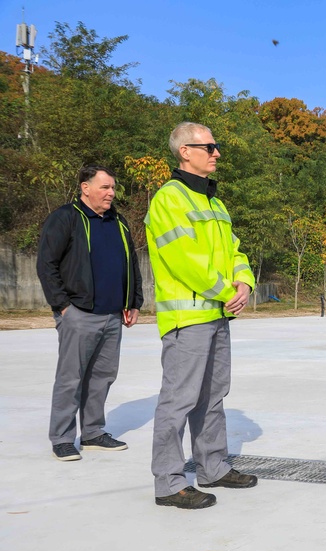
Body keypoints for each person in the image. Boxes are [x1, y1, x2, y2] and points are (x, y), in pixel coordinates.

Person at [145, 122, 258, 510]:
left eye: (216, 146)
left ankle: (213, 466)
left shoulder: (215, 203)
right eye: (209, 147)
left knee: (212, 396)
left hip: (217, 315)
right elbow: (184, 261)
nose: (216, 153)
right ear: (184, 152)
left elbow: (236, 251)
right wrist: (228, 293)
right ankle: (169, 483)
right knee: (178, 401)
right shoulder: (169, 199)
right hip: (188, 318)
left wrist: (244, 283)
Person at [36, 165, 143, 461]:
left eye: (112, 188)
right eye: (105, 187)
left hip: (113, 314)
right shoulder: (65, 218)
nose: (111, 193)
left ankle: (94, 432)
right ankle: (62, 438)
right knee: (71, 378)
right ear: (85, 187)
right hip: (79, 312)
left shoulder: (118, 221)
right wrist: (63, 306)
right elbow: (47, 264)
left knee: (103, 376)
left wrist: (134, 301)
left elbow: (131, 263)